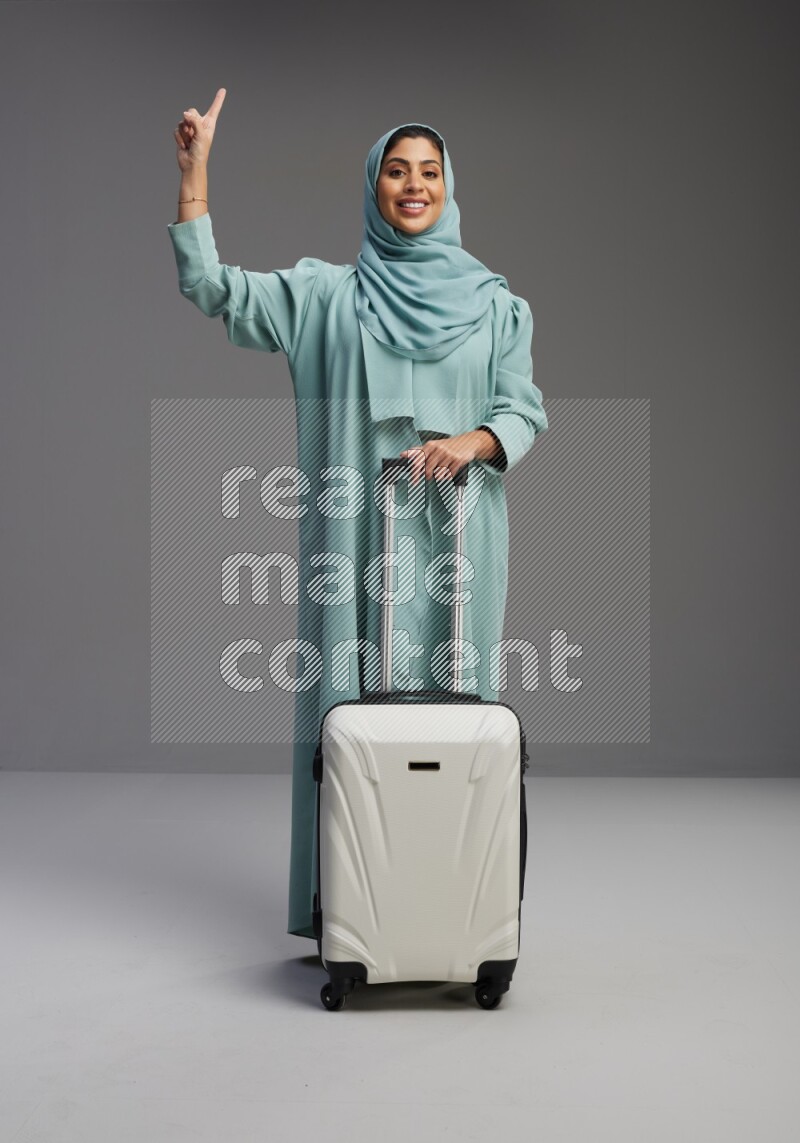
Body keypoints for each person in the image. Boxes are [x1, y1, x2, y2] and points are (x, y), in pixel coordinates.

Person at [167, 89, 548, 941]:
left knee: (461, 721)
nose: (413, 186)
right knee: (346, 718)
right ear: (373, 186)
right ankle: (348, 910)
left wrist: (477, 440)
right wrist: (195, 174)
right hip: (353, 543)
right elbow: (214, 289)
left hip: (460, 546)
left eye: (429, 173)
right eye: (396, 173)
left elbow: (524, 410)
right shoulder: (325, 299)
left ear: (450, 189)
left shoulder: (496, 307)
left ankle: (458, 912)